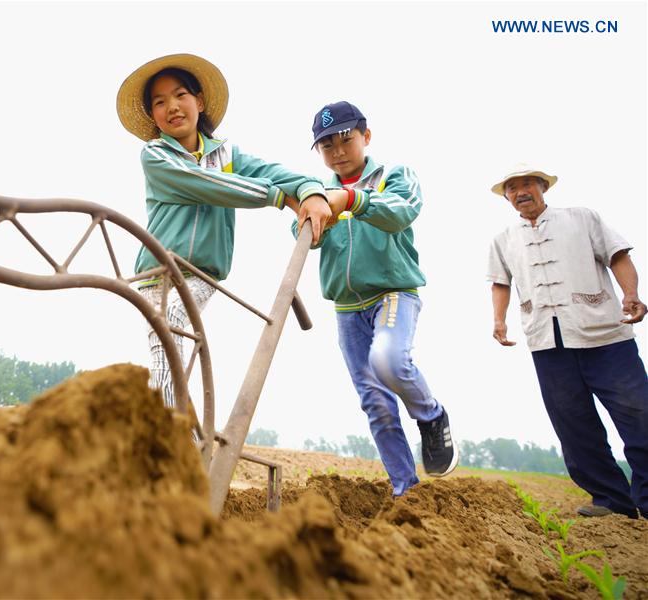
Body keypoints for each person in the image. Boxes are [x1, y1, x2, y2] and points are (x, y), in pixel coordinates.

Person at [116, 54, 331, 408]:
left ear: (199, 102)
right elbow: (207, 184)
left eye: (180, 95)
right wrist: (277, 197)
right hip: (160, 272)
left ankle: (180, 438)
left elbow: (272, 172)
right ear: (154, 116)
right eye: (159, 102)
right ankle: (181, 443)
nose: (172, 106)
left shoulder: (226, 154)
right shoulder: (155, 156)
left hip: (204, 273)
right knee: (167, 342)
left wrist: (309, 191)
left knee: (174, 341)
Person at [298, 101, 457, 496]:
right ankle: (406, 489)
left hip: (393, 293)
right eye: (326, 145)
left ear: (366, 137)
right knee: (376, 403)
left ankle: (431, 416)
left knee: (388, 361)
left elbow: (401, 212)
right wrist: (309, 214)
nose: (337, 151)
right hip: (347, 309)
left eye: (345, 140)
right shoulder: (321, 192)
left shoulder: (392, 176)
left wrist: (352, 201)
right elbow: (302, 236)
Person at [487, 164, 648, 519]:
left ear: (543, 186)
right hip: (548, 342)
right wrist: (499, 319)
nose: (520, 191)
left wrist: (632, 294)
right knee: (573, 425)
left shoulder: (582, 218)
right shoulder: (504, 240)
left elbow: (618, 255)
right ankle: (611, 500)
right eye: (512, 188)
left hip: (605, 335)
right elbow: (500, 282)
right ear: (507, 197)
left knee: (638, 414)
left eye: (527, 183)